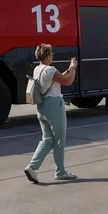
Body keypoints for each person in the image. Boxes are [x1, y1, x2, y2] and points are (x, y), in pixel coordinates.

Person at [24, 44, 79, 183]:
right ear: (48, 56)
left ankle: (32, 167)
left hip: (42, 106)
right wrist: (73, 67)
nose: (52, 56)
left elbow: (58, 78)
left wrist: (67, 70)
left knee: (47, 139)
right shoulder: (50, 69)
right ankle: (60, 172)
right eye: (52, 54)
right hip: (54, 105)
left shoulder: (38, 69)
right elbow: (68, 81)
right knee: (60, 140)